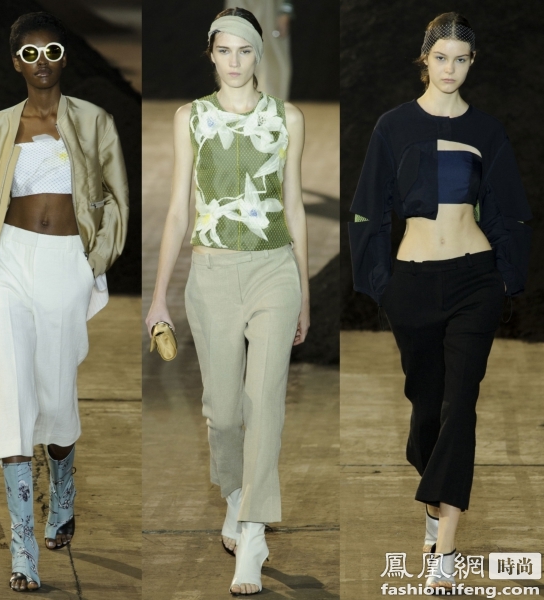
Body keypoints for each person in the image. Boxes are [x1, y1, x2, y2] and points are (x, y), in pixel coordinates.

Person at [348, 12, 531, 592]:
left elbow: (508, 210)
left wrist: (504, 280)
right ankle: (434, 502)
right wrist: (384, 286)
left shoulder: (487, 131)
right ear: (424, 58)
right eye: (441, 57)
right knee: (428, 410)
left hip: (474, 281)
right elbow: (367, 210)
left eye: (462, 59)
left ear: (472, 63)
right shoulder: (393, 126)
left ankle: (444, 552)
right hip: (413, 283)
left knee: (460, 406)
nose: (451, 68)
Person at [146, 7, 309, 595]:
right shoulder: (190, 117)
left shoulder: (286, 117)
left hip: (273, 271)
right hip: (211, 274)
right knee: (223, 410)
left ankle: (254, 533)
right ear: (211, 54)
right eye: (224, 50)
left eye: (244, 50)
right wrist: (158, 299)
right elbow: (177, 209)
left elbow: (294, 206)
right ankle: (236, 494)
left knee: (264, 401)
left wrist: (305, 294)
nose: (234, 61)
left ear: (259, 54)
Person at [0, 12, 128, 592]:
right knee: (15, 404)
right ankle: (23, 549)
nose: (41, 62)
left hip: (65, 264)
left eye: (51, 51)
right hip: (10, 262)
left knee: (57, 398)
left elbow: (116, 198)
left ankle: (62, 489)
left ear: (64, 57)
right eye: (29, 54)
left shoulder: (94, 121)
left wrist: (93, 264)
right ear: (16, 62)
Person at [224, 0, 294, 99]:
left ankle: (269, 103)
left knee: (271, 61)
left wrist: (285, 11)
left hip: (269, 10)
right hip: (241, 6)